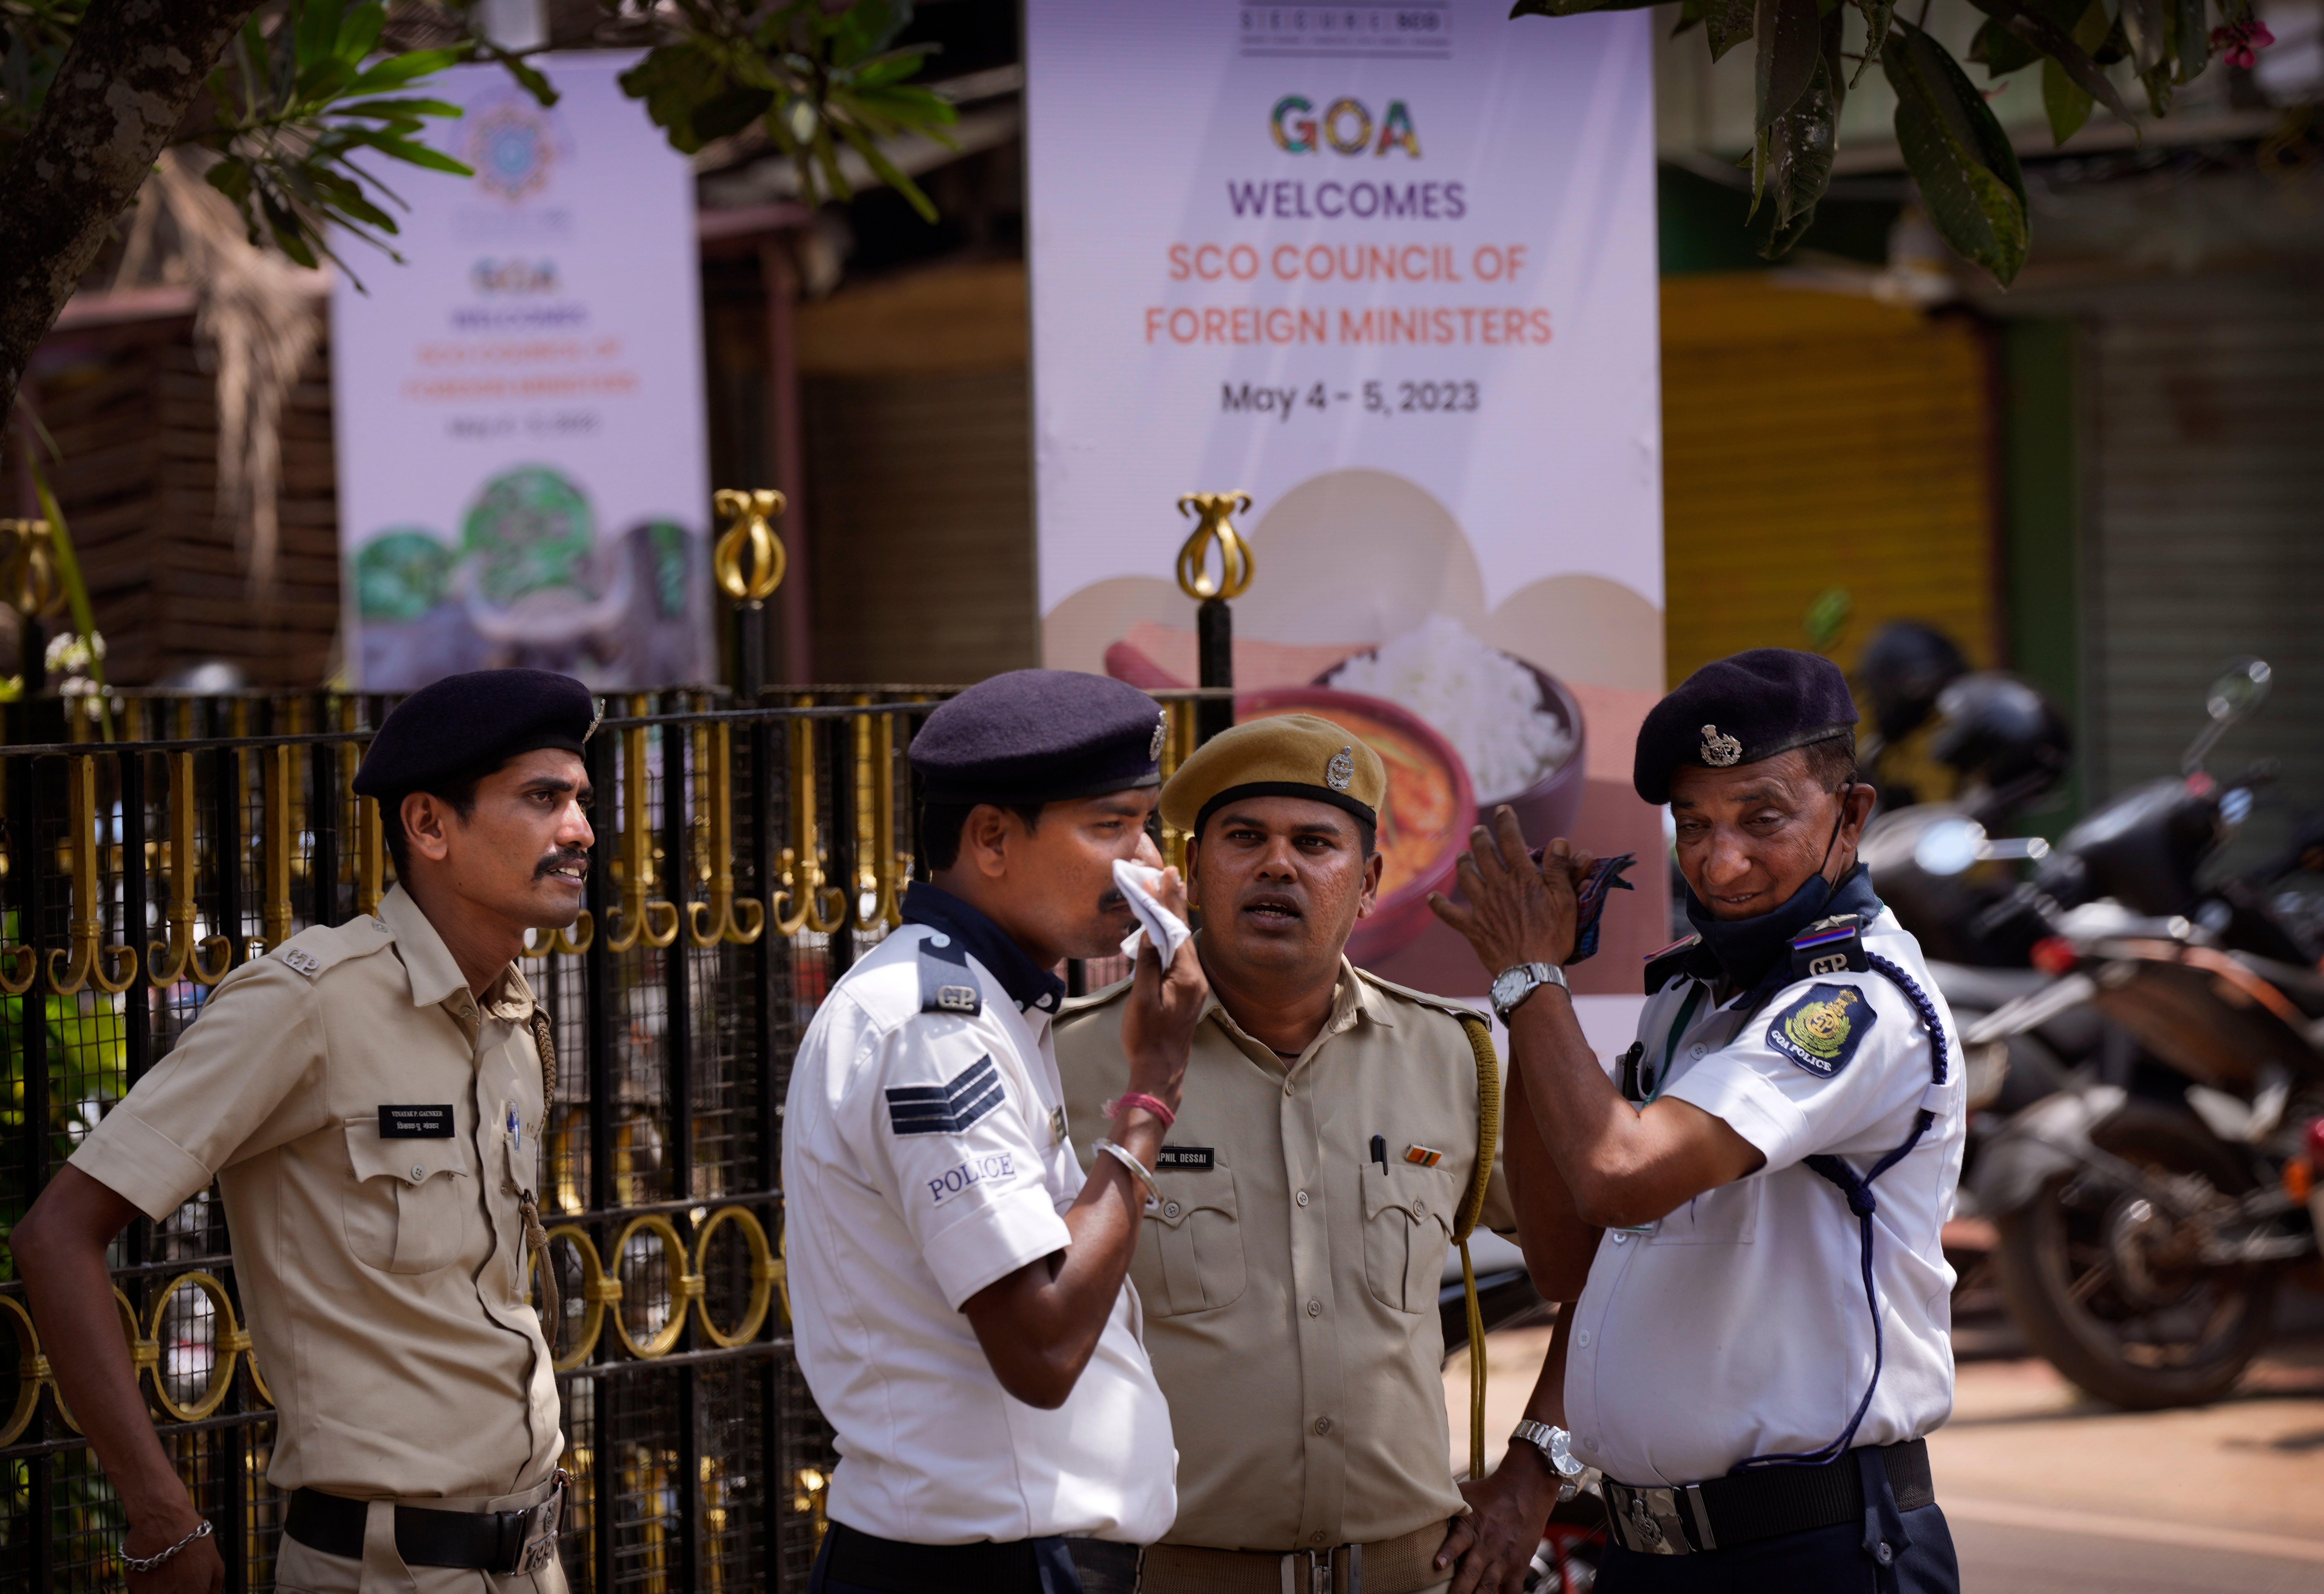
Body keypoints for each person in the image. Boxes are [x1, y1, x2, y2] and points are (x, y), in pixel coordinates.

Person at [11, 668, 600, 1593]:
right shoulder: (311, 1004)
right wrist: (160, 1514)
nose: (580, 831)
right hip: (379, 1571)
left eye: (580, 801)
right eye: (543, 799)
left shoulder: (514, 1025)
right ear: (430, 826)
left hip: (532, 1564)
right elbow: (55, 1238)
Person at [1429, 648, 1965, 1593]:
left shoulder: (1857, 1002)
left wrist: (1529, 978)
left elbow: (1617, 1171)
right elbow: (1569, 1262)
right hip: (1651, 1555)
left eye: (1764, 819)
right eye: (1694, 823)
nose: (1722, 862)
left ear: (1850, 816)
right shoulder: (1687, 1002)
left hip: (1816, 1555)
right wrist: (1534, 989)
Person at [1054, 714, 1586, 1594]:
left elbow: (1605, 1259)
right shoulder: (1078, 1064)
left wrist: (1536, 1468)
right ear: (1191, 872)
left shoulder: (1455, 1059)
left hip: (1410, 1575)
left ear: (1370, 881)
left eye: (1314, 843)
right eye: (1244, 839)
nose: (1278, 866)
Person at [783, 669, 1207, 1594]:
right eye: (1111, 827)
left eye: (1147, 826)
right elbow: (1044, 1344)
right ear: (991, 839)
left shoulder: (989, 1006)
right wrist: (1152, 1094)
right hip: (985, 1567)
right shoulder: (934, 1024)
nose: (1147, 866)